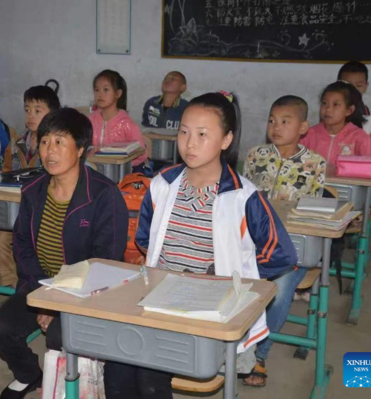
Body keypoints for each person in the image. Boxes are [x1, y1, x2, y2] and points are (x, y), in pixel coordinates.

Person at [106, 92, 297, 398]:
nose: (189, 143)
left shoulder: (243, 196)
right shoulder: (163, 183)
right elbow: (145, 239)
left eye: (202, 134)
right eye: (184, 132)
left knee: (148, 373)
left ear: (226, 140)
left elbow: (281, 254)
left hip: (209, 306)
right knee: (116, 366)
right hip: (159, 296)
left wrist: (237, 275)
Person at [0, 108, 128, 399]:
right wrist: (43, 299)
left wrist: (58, 305)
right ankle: (29, 375)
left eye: (60, 142)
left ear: (79, 149)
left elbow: (105, 261)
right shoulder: (33, 190)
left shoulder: (103, 194)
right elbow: (22, 246)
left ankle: (76, 382)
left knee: (58, 337)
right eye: (45, 142)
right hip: (40, 284)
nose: (49, 151)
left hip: (87, 294)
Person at [243, 95, 326, 387]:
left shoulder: (314, 163)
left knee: (277, 291)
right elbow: (243, 201)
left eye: (285, 121)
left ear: (303, 127)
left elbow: (312, 212)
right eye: (271, 120)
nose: (276, 127)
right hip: (254, 243)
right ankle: (233, 346)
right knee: (231, 281)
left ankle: (259, 355)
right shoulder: (255, 155)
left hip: (294, 248)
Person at [0, 85, 60, 288]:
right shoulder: (16, 144)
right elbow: (4, 171)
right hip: (16, 208)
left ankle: (40, 285)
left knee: (37, 242)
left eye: (38, 110)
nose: (31, 115)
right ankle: (11, 287)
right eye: (27, 110)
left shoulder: (55, 146)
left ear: (52, 114)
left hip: (45, 211)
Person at [300, 81, 371, 167]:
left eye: (335, 104)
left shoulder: (359, 137)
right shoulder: (308, 135)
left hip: (348, 180)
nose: (328, 109)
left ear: (349, 110)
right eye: (324, 103)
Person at [88, 69, 147, 169]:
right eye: (97, 90)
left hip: (119, 174)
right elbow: (80, 145)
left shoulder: (127, 124)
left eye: (106, 90)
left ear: (118, 94)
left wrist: (123, 165)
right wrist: (88, 152)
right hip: (93, 170)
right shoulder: (89, 120)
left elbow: (141, 154)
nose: (100, 94)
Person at [338, 61, 371, 146]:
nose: (352, 90)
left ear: (365, 87)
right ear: (337, 85)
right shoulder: (330, 113)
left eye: (358, 85)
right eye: (347, 85)